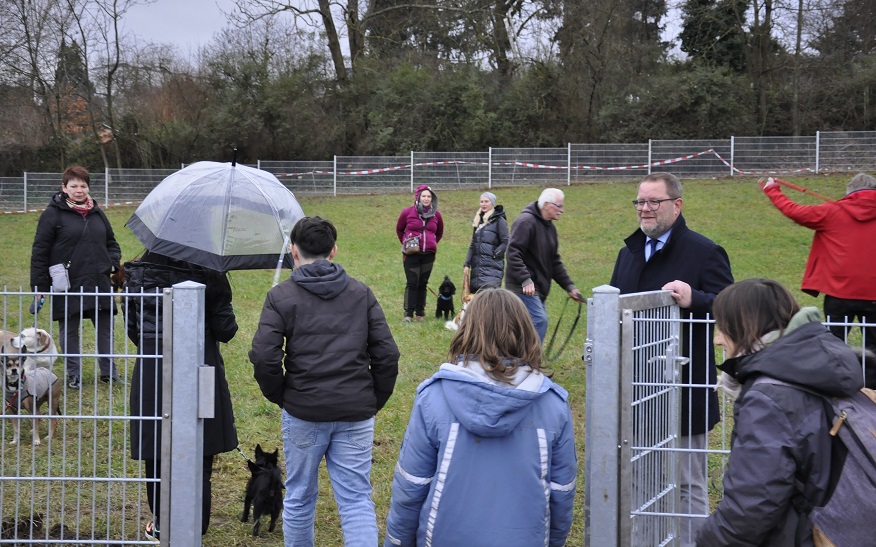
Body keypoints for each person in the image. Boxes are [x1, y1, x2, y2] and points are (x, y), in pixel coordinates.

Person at [383, 288, 577, 547]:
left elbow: (411, 487)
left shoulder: (433, 398)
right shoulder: (554, 405)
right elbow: (562, 493)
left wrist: (396, 541)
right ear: (527, 330)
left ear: (468, 329)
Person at [249, 216, 400, 547]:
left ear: (293, 252)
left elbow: (263, 357)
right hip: (339, 411)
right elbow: (387, 355)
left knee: (301, 496)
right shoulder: (360, 293)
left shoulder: (283, 296)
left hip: (312, 411)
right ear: (333, 251)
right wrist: (371, 400)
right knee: (356, 500)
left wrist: (285, 396)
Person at [609, 172, 733, 546]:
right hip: (637, 389)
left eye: (653, 202)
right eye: (640, 202)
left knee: (686, 483)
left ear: (676, 205)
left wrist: (696, 296)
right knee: (641, 480)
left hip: (684, 385)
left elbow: (731, 308)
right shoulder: (627, 253)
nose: (645, 209)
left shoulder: (704, 252)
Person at [697, 278, 864, 546]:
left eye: (723, 328)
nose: (717, 339)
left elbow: (751, 507)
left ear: (745, 327)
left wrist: (709, 541)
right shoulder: (817, 366)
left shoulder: (770, 397)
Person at [124, 251, 239, 542]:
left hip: (153, 365)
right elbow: (226, 331)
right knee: (201, 446)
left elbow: (133, 331)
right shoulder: (210, 271)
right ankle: (195, 523)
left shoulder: (136, 274)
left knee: (156, 447)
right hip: (200, 364)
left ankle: (162, 521)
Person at [29, 164, 122, 389]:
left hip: (99, 281)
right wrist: (40, 287)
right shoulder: (52, 214)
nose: (79, 190)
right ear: (64, 187)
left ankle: (109, 373)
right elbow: (40, 251)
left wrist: (112, 262)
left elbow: (111, 242)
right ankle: (74, 374)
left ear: (88, 187)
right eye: (74, 186)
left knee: (105, 328)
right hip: (68, 282)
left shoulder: (97, 213)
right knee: (70, 331)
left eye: (83, 185)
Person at [762, 173, 876, 355]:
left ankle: (837, 381)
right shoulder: (833, 210)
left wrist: (772, 190)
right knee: (874, 346)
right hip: (873, 294)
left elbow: (794, 211)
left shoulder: (832, 211)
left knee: (834, 345)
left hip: (838, 291)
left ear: (850, 192)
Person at [504, 188, 583, 341]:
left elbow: (554, 261)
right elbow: (513, 253)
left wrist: (569, 287)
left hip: (537, 288)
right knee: (539, 321)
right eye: (559, 206)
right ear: (546, 204)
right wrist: (525, 279)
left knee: (524, 325)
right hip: (523, 287)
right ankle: (527, 361)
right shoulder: (525, 222)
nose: (562, 210)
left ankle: (518, 360)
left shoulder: (550, 228)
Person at [396, 184, 444, 321]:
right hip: (411, 254)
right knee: (412, 282)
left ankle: (420, 313)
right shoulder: (407, 212)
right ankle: (408, 314)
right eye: (424, 196)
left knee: (423, 283)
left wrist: (431, 243)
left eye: (429, 196)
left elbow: (439, 232)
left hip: (428, 254)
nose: (426, 199)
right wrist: (406, 243)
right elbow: (399, 229)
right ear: (418, 197)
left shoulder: (437, 215)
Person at [463, 191, 509, 294]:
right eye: (481, 201)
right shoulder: (478, 221)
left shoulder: (499, 220)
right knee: (477, 303)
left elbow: (506, 241)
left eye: (486, 201)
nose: (483, 204)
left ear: (492, 203)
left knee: (490, 301)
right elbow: (472, 244)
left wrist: (494, 254)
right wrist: (467, 264)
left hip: (492, 271)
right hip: (477, 271)